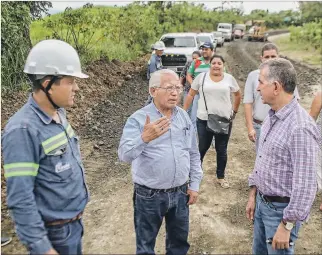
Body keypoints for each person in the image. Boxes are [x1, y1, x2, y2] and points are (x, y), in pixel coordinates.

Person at [2, 39, 89, 255]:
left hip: (73, 226)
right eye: (70, 81)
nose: (76, 88)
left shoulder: (58, 113)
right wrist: (43, 248)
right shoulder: (22, 130)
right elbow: (20, 199)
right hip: (55, 236)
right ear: (48, 83)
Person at [118, 69, 203, 255]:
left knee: (179, 244)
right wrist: (144, 138)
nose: (174, 93)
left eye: (178, 88)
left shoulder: (183, 116)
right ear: (153, 91)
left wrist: (194, 184)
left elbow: (193, 153)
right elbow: (124, 155)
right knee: (145, 246)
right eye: (169, 88)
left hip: (181, 192)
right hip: (149, 196)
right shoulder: (138, 119)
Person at [246, 58, 320, 255]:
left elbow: (306, 184)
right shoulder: (272, 116)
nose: (258, 88)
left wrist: (286, 226)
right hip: (263, 204)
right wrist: (253, 194)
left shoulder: (300, 127)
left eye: (261, 82)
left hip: (281, 213)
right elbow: (261, 159)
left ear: (276, 86)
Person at [183, 55, 241, 189]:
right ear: (210, 65)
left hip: (223, 120)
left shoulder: (229, 79)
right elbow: (191, 94)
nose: (216, 65)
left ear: (223, 65)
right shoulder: (201, 78)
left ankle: (220, 177)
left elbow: (237, 94)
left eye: (219, 63)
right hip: (204, 119)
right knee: (202, 148)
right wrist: (183, 111)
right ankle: (195, 176)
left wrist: (235, 111)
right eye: (214, 63)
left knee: (222, 149)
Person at [243, 43, 300, 152]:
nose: (269, 60)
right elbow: (248, 103)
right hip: (260, 125)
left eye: (273, 56)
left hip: (281, 125)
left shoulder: (287, 76)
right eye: (267, 57)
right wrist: (250, 127)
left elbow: (295, 100)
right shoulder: (253, 76)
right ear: (261, 58)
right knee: (262, 157)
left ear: (278, 57)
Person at [186, 42, 214, 131]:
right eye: (203, 49)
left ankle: (212, 140)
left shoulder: (215, 62)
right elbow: (189, 75)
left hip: (212, 95)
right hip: (198, 94)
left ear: (212, 50)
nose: (204, 51)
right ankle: (193, 140)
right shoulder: (197, 61)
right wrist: (194, 86)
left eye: (206, 49)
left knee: (212, 117)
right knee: (194, 117)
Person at [309, 91, 322, 211]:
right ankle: (306, 199)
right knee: (315, 172)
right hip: (320, 142)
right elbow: (310, 119)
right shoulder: (321, 95)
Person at [145, 41, 165, 105]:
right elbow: (152, 74)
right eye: (160, 50)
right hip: (154, 81)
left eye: (162, 50)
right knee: (152, 96)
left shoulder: (158, 58)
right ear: (156, 50)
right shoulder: (153, 60)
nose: (162, 51)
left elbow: (160, 68)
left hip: (158, 80)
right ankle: (146, 111)